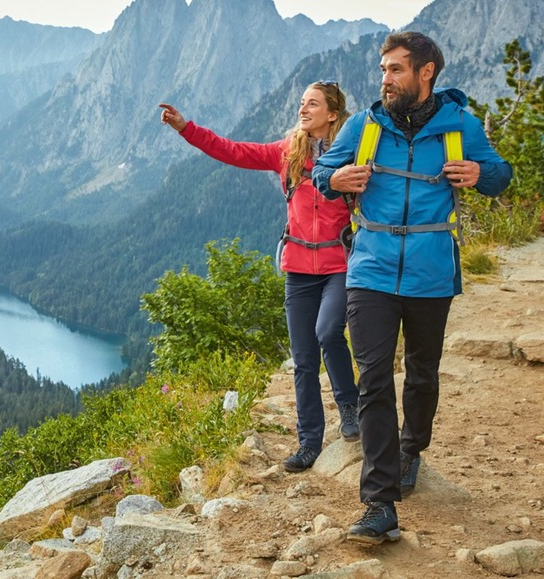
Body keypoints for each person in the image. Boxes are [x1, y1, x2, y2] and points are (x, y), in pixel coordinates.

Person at [312, 32, 512, 544]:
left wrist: (479, 172)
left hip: (431, 272)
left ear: (426, 73)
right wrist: (334, 182)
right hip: (371, 269)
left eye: (396, 69)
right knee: (374, 377)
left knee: (422, 373)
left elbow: (499, 174)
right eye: (383, 69)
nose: (385, 79)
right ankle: (379, 503)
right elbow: (321, 172)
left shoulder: (459, 125)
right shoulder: (362, 124)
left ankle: (410, 448)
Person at [159, 81, 359, 473]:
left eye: (313, 104)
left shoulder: (350, 155)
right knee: (303, 360)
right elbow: (232, 151)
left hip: (339, 264)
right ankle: (309, 443)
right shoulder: (286, 153)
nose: (303, 109)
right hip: (299, 268)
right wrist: (186, 128)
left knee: (328, 332)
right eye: (302, 103)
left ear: (333, 114)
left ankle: (350, 408)